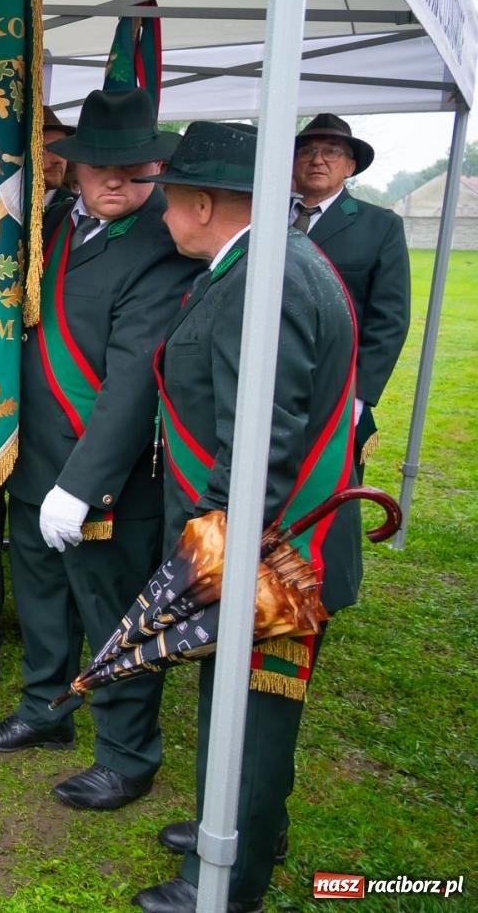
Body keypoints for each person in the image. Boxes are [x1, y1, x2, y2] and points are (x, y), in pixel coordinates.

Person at [131, 120, 362, 913]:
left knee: (255, 714)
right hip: (261, 539)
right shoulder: (261, 264)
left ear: (201, 204)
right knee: (235, 704)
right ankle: (231, 824)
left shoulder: (268, 281)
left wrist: (208, 554)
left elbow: (261, 442)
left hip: (273, 552)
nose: (162, 215)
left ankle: (228, 880)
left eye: (168, 199)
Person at [0, 88, 199, 813]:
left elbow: (134, 380)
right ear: (71, 167)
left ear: (156, 167)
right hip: (30, 455)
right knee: (41, 598)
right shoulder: (49, 225)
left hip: (106, 473)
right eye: (98, 164)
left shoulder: (164, 244)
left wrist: (83, 485)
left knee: (115, 615)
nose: (115, 179)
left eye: (133, 166)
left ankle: (126, 755)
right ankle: (47, 708)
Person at [290, 114, 411, 466]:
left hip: (335, 387)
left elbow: (388, 320)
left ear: (350, 166)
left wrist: (356, 398)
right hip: (264, 382)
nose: (318, 160)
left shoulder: (380, 226)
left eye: (332, 151)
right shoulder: (261, 217)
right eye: (307, 151)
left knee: (327, 488)